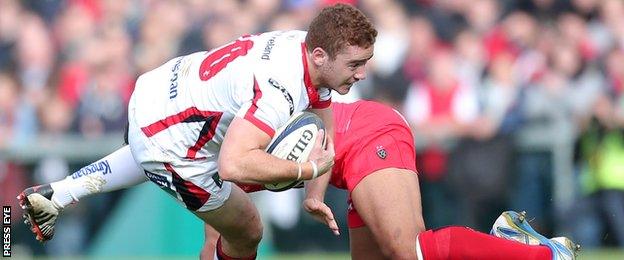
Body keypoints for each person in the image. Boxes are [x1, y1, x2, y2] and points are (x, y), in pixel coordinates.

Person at [18, 3, 377, 259]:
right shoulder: (277, 91)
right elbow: (233, 166)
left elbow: (322, 126)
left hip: (158, 92)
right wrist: (305, 171)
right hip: (172, 141)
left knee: (217, 223)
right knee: (248, 229)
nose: (362, 73)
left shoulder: (307, 44)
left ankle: (57, 194)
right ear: (319, 55)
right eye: (356, 64)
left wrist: (313, 194)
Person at [21, 99, 578, 259]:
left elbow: (319, 128)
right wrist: (65, 192)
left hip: (369, 132)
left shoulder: (222, 146)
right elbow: (211, 238)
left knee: (407, 251)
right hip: (340, 159)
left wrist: (313, 187)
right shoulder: (192, 170)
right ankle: (505, 238)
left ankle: (543, 255)